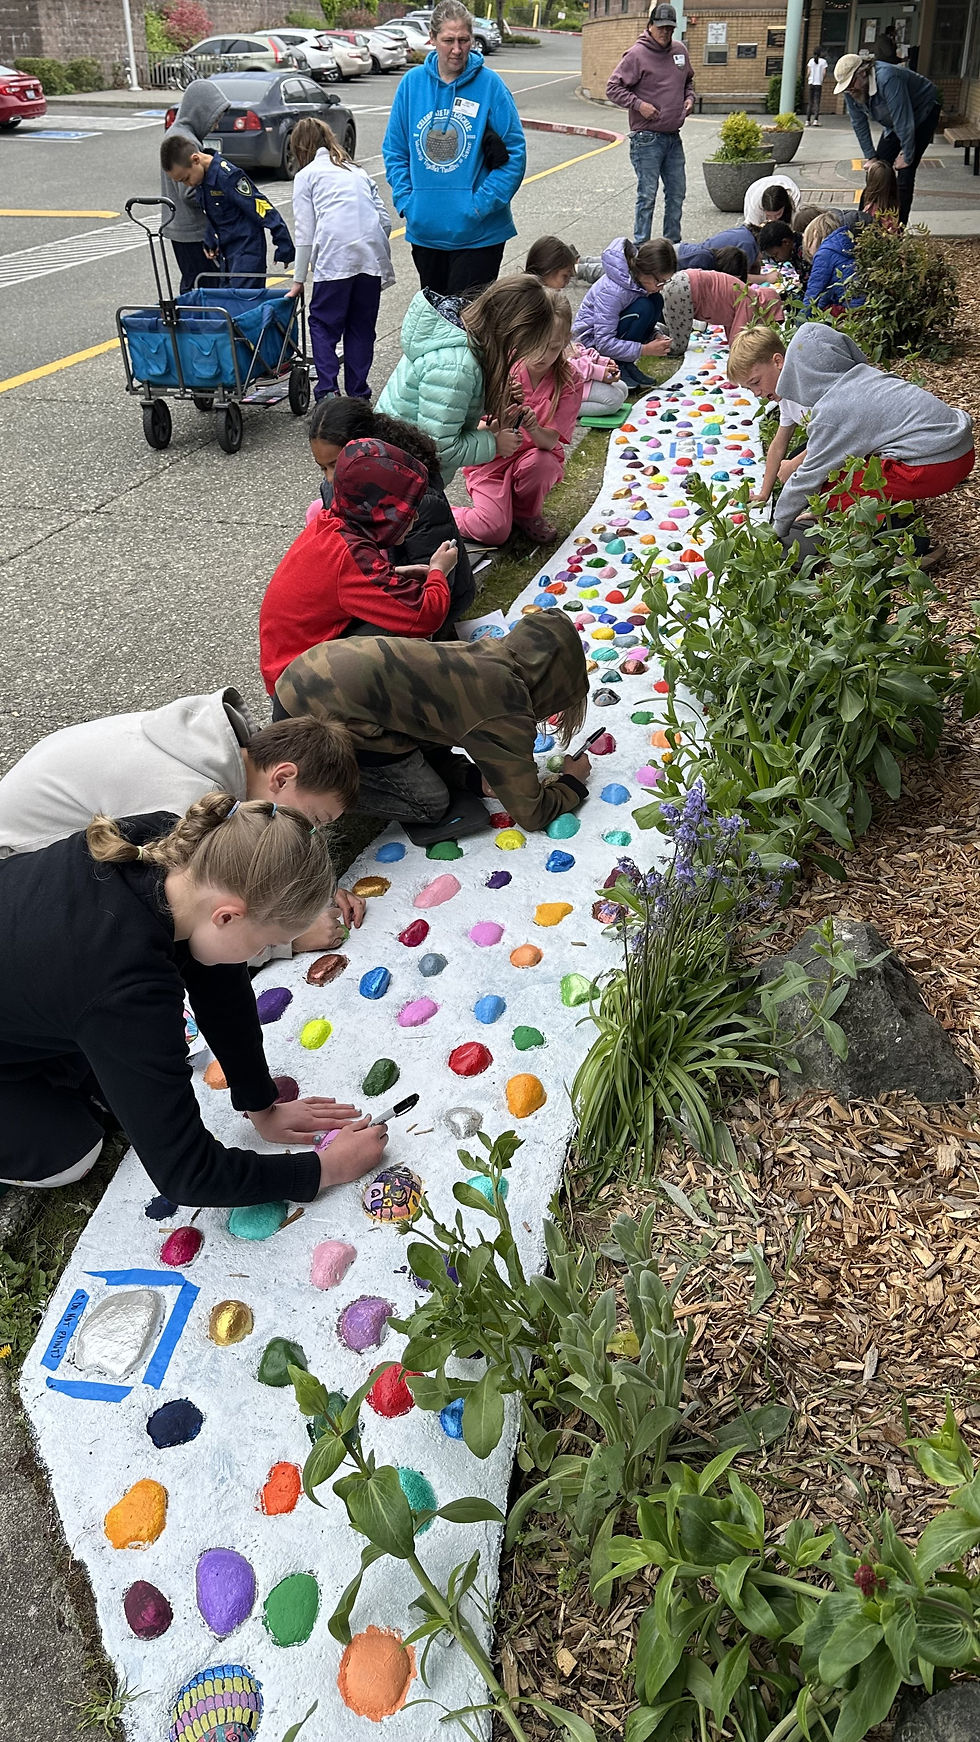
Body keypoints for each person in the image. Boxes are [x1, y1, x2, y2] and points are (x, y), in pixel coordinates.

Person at [0, 795, 389, 1198]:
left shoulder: (180, 847)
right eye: (266, 943)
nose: (260, 956)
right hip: (64, 991)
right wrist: (322, 1169)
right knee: (71, 1154)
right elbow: (187, 1174)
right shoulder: (126, 991)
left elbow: (222, 990)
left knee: (119, 1090)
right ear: (227, 916)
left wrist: (261, 1103)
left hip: (39, 981)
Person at [0, 699, 365, 950]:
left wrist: (307, 889)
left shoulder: (217, 747)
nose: (308, 833)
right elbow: (194, 921)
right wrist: (289, 936)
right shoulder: (185, 802)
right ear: (282, 778)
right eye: (312, 820)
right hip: (19, 873)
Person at [274, 613, 591, 833]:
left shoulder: (488, 655)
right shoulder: (506, 704)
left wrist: (475, 779)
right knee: (430, 802)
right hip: (322, 718)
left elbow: (425, 726)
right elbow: (532, 813)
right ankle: (316, 797)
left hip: (302, 679)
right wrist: (573, 782)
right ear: (556, 688)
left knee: (419, 758)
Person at [259, 439, 456, 694]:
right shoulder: (352, 554)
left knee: (393, 612)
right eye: (407, 510)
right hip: (298, 689)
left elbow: (336, 586)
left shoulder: (333, 523)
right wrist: (440, 570)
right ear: (381, 511)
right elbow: (426, 615)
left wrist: (394, 573)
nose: (415, 517)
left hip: (290, 669)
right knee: (401, 628)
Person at [769, 322, 974, 541]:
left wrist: (776, 530)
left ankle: (896, 546)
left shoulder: (835, 408)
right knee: (850, 467)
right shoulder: (866, 376)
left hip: (938, 465)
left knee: (835, 482)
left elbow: (809, 477)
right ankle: (853, 520)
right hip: (960, 447)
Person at [382, 0, 526, 296]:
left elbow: (514, 155)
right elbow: (395, 151)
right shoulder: (412, 85)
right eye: (448, 41)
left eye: (464, 40)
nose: (457, 49)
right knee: (435, 326)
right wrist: (409, 202)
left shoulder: (490, 86)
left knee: (466, 328)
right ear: (432, 39)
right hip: (426, 232)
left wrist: (479, 205)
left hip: (479, 235)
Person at [306, 397, 476, 622]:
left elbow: (429, 591)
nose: (330, 478)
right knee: (315, 511)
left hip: (428, 600)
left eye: (336, 465)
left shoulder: (419, 502)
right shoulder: (333, 489)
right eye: (323, 468)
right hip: (381, 585)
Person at [377, 274, 553, 485]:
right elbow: (439, 448)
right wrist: (495, 443)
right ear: (514, 333)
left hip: (399, 464)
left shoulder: (463, 334)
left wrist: (496, 396)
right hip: (398, 477)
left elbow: (447, 411)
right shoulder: (456, 367)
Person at [454, 290, 584, 546]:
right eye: (535, 344)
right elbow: (474, 427)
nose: (542, 356)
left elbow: (549, 443)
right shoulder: (505, 363)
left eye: (554, 347)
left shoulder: (569, 379)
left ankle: (526, 514)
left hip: (529, 461)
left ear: (567, 340)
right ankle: (441, 515)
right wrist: (501, 408)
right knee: (493, 532)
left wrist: (533, 426)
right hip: (490, 463)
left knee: (542, 462)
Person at [285, 117, 394, 403]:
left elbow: (305, 233)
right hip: (370, 255)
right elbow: (384, 221)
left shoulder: (307, 176)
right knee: (360, 327)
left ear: (299, 148)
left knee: (322, 324)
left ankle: (328, 392)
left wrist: (298, 280)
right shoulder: (357, 172)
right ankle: (358, 394)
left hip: (335, 258)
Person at [605, 2, 695, 244]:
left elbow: (688, 81)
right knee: (647, 195)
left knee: (677, 193)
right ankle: (641, 246)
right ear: (650, 26)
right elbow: (612, 88)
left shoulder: (680, 51)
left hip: (673, 136)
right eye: (661, 27)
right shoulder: (636, 54)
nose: (665, 33)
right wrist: (639, 105)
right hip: (647, 139)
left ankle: (672, 244)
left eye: (670, 28)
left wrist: (689, 98)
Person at [158, 135, 293, 288]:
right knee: (225, 301)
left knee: (241, 304)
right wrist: (210, 239)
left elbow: (261, 206)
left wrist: (283, 244)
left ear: (196, 160)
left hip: (246, 252)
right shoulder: (202, 179)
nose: (187, 184)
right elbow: (212, 213)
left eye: (185, 178)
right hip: (225, 254)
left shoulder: (228, 176)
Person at [834, 51, 941, 225]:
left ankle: (898, 231)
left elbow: (903, 120)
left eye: (851, 83)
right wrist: (871, 156)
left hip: (922, 113)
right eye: (845, 86)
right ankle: (862, 227)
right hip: (894, 121)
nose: (849, 89)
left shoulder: (888, 78)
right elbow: (858, 122)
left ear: (863, 72)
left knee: (905, 174)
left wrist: (906, 154)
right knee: (877, 172)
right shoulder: (851, 90)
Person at [572, 237, 677, 391]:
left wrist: (655, 335)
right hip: (591, 344)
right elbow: (604, 342)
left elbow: (635, 322)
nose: (661, 287)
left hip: (610, 337)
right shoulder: (613, 291)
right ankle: (617, 364)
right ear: (645, 271)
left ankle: (626, 364)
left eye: (665, 282)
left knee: (656, 300)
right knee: (645, 306)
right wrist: (644, 349)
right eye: (659, 281)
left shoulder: (639, 283)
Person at [725, 325, 807, 508]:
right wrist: (763, 494)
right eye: (749, 388)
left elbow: (835, 436)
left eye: (756, 382)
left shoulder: (806, 388)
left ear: (777, 362)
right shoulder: (785, 397)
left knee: (798, 465)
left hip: (855, 442)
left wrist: (795, 464)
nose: (756, 393)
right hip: (833, 440)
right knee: (796, 460)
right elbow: (778, 445)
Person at [160, 81, 229, 293]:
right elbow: (190, 192)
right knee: (202, 286)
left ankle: (192, 323)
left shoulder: (179, 134)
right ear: (200, 111)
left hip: (181, 227)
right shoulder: (183, 139)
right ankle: (197, 326)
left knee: (194, 282)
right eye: (214, 118)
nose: (215, 125)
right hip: (192, 231)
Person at [660, 268, 782, 358]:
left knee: (674, 330)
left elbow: (731, 325)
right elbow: (738, 339)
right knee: (677, 347)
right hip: (685, 290)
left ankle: (655, 332)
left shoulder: (745, 293)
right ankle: (650, 343)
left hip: (683, 281)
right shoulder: (749, 303)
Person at [806, 47, 828, 125]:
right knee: (817, 102)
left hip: (811, 83)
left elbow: (808, 72)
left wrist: (808, 78)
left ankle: (807, 120)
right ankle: (815, 120)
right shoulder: (823, 62)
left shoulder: (811, 61)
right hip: (818, 83)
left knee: (810, 102)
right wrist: (822, 79)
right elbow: (824, 73)